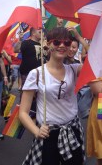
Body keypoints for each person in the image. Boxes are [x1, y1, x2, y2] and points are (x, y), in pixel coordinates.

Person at [19, 27, 85, 165]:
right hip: (48, 134)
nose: (62, 46)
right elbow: (23, 113)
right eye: (56, 42)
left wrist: (79, 38)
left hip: (72, 131)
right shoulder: (36, 74)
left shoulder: (74, 69)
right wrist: (36, 131)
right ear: (48, 44)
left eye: (67, 43)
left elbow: (97, 61)